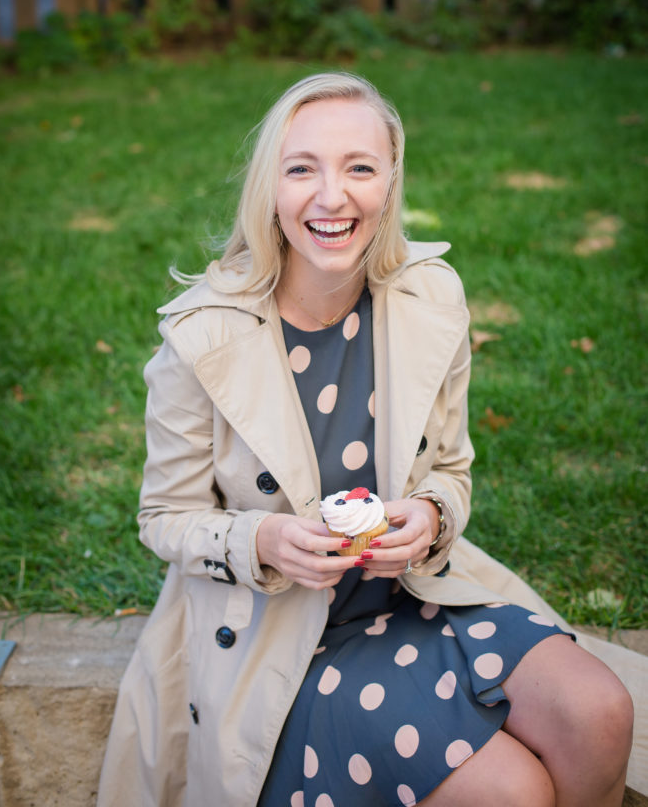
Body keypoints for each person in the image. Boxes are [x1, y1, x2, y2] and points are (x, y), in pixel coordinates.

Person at [98, 72, 637, 807]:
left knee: (600, 714)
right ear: (269, 190)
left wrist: (431, 517)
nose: (331, 196)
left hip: (416, 593)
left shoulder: (428, 297)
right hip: (281, 636)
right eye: (301, 169)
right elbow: (163, 519)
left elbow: (447, 467)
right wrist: (261, 541)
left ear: (389, 180)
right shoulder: (202, 338)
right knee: (509, 792)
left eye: (359, 167)